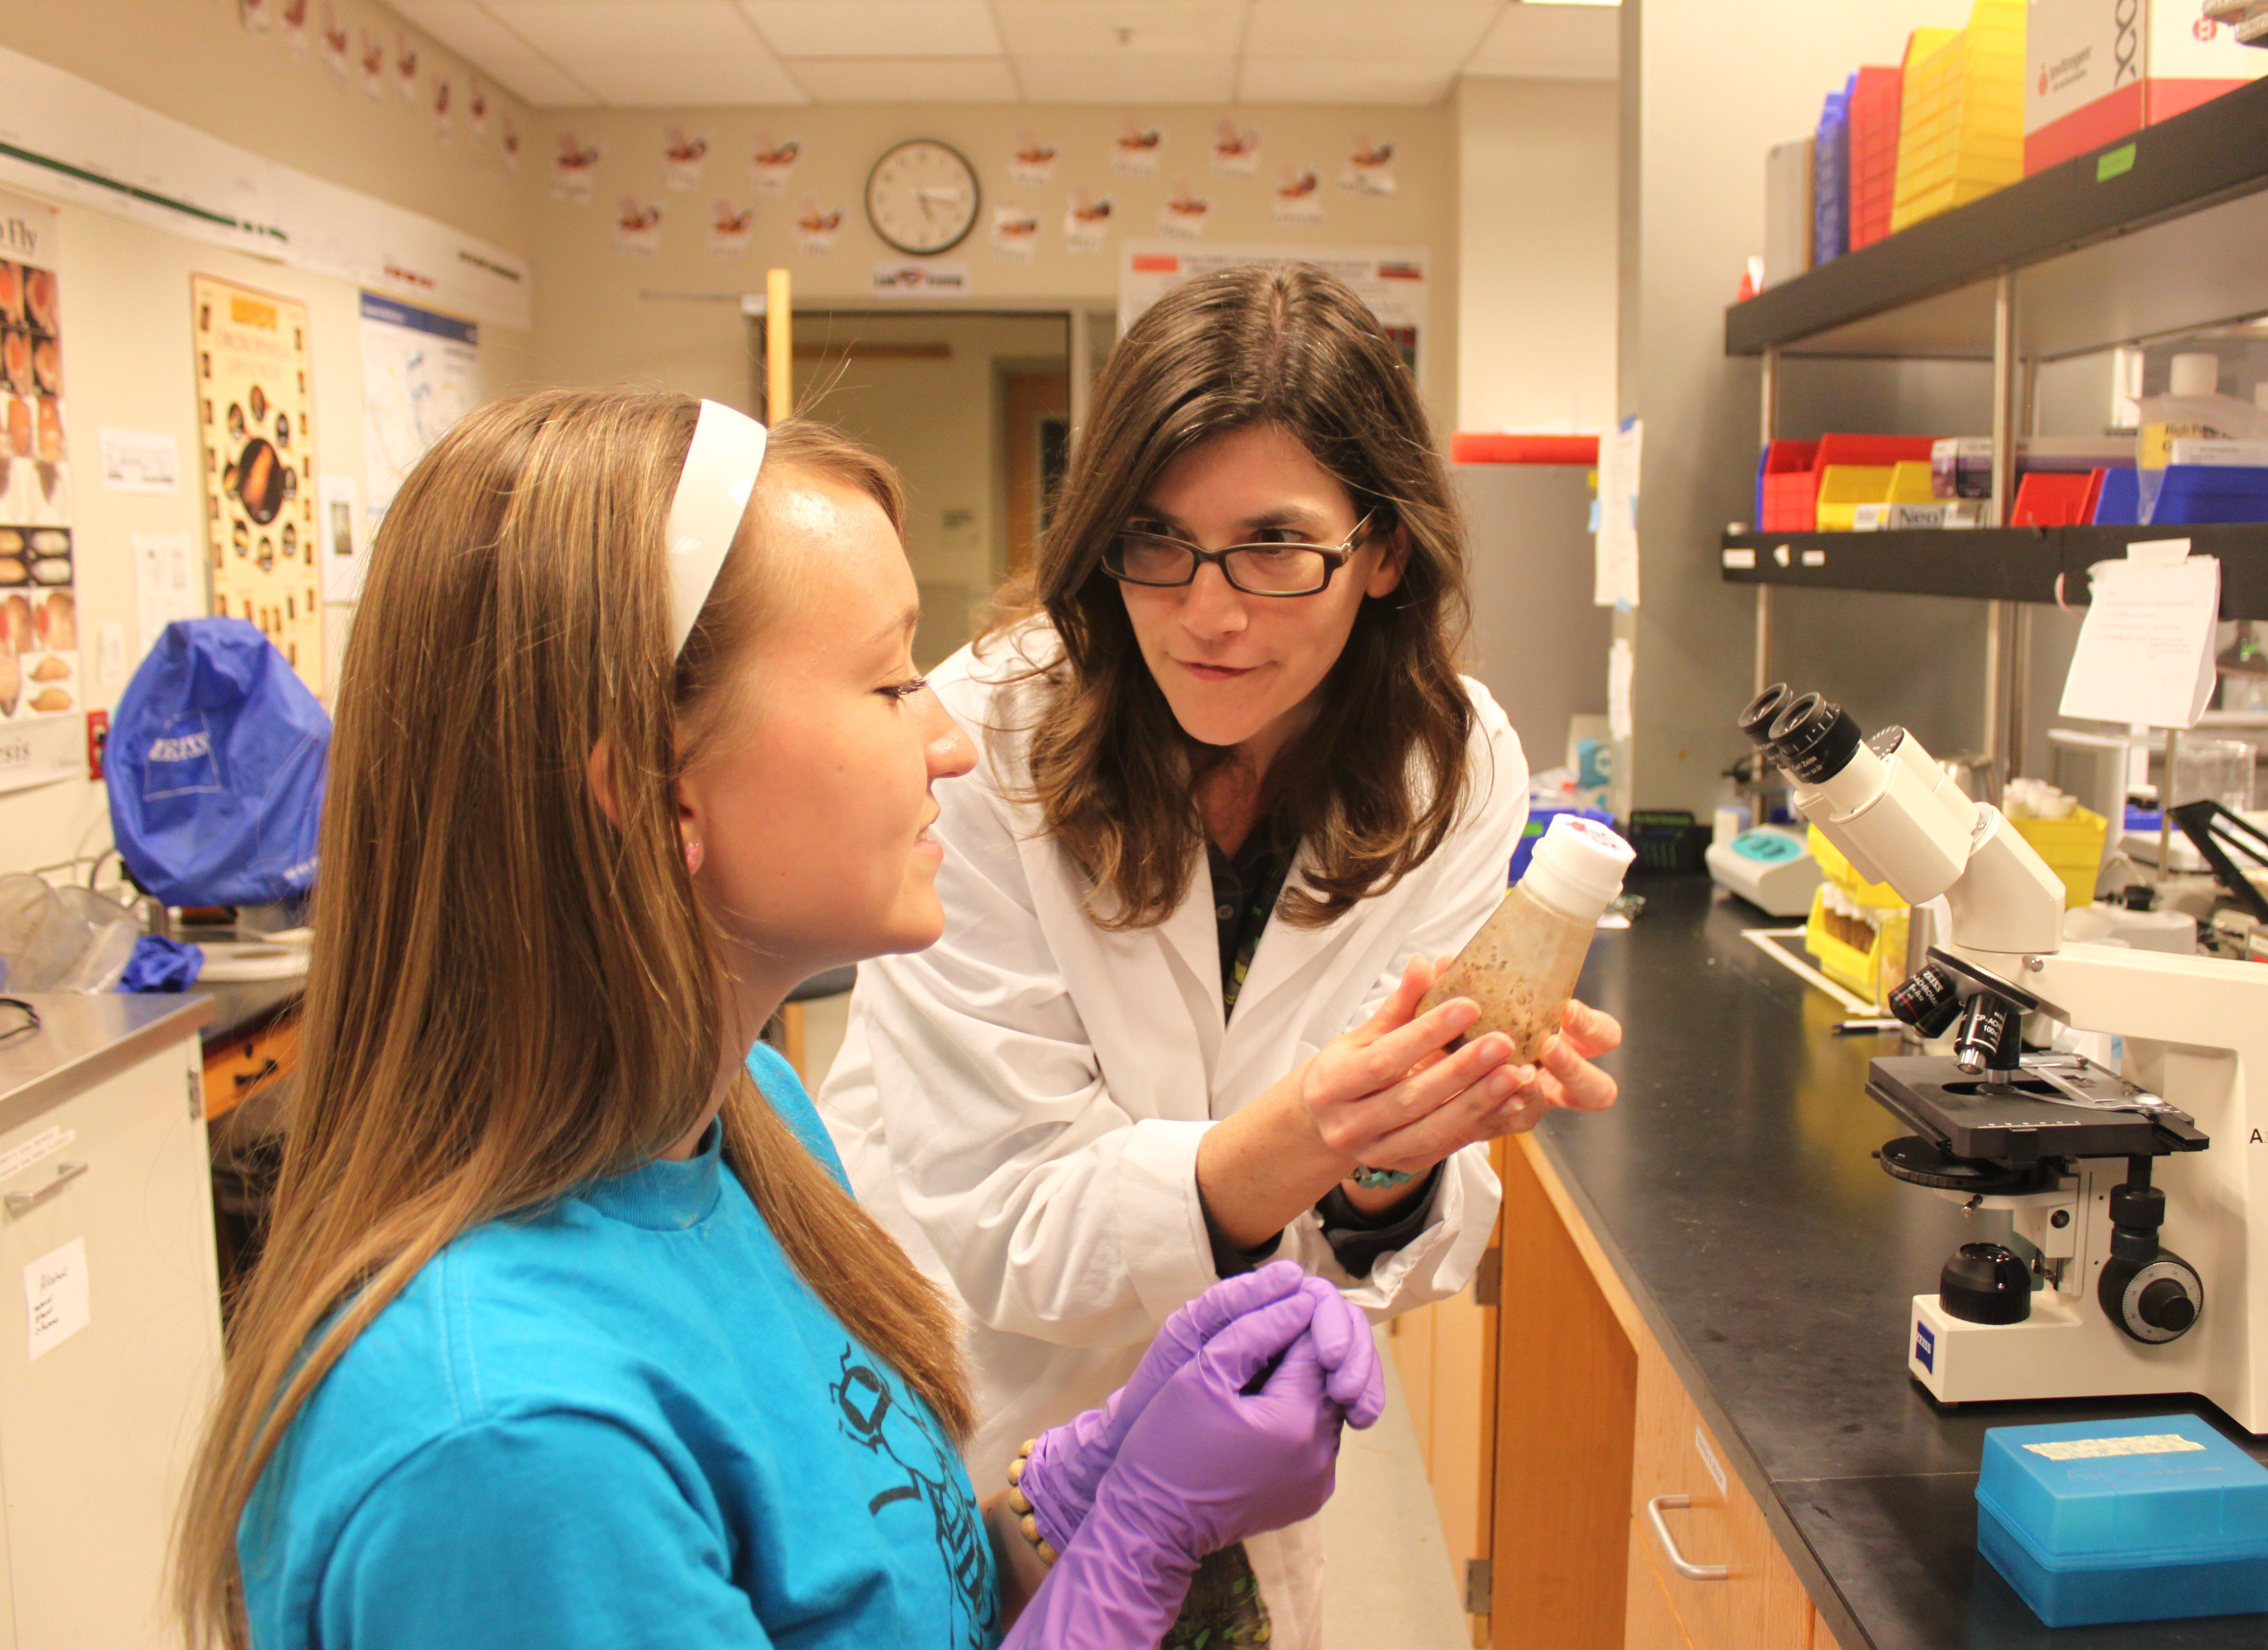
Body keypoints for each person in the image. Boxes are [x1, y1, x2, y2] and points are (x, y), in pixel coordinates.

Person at [169, 388, 1383, 1649]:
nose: (953, 743)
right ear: (655, 786)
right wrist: (1139, 1541)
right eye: (892, 682)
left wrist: (1093, 1481)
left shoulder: (752, 1129)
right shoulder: (511, 1451)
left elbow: (875, 1577)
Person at [819, 262, 1624, 1642]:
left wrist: (1395, 1152)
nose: (1207, 612)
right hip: (973, 1396)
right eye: (1157, 541)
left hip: (1247, 1428)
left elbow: (1386, 1222)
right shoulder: (978, 740)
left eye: (1274, 546)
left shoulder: (1452, 762)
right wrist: (1313, 1127)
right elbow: (1010, 1225)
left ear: (1382, 551)